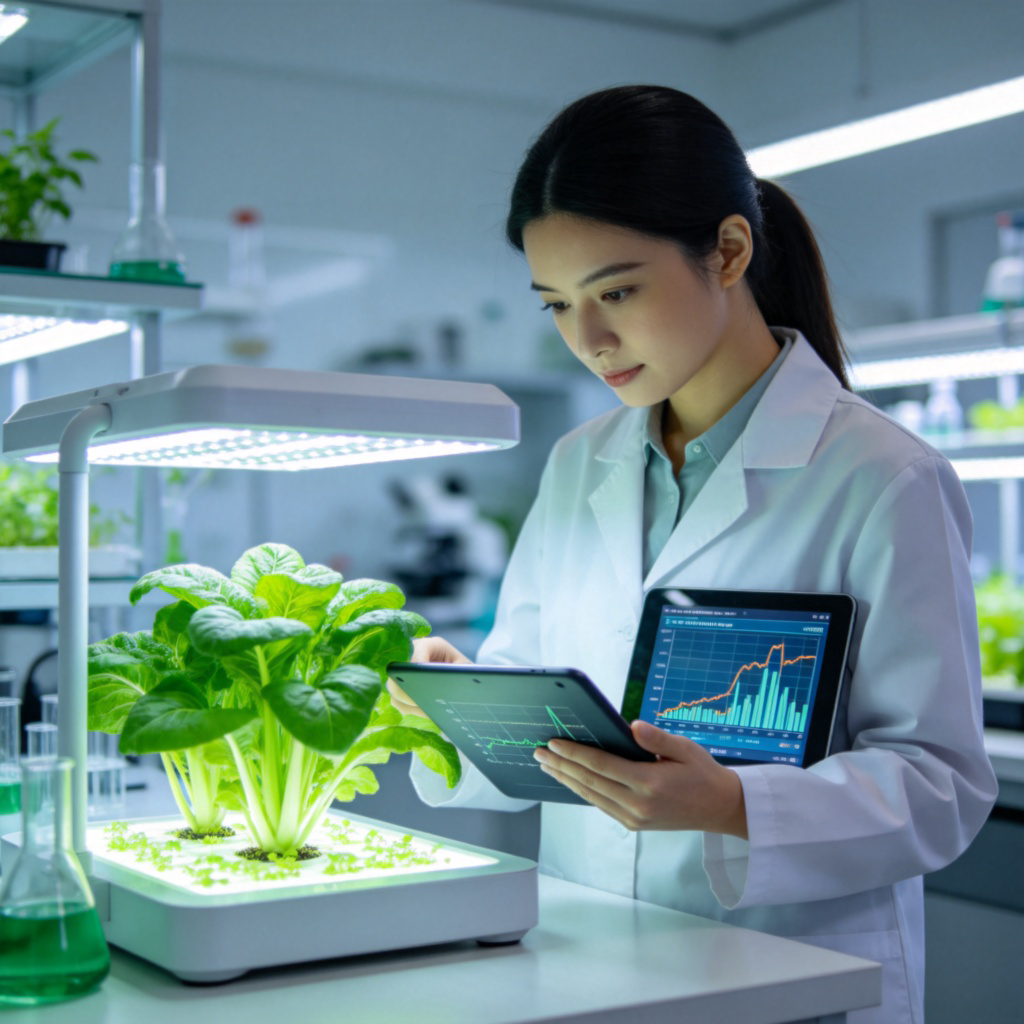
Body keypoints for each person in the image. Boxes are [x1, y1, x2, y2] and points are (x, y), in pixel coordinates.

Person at [390, 85, 997, 1024]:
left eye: (618, 292)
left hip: (794, 976)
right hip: (590, 964)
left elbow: (941, 786)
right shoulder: (577, 466)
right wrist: (457, 700)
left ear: (728, 251)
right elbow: (537, 697)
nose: (588, 341)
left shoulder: (883, 475)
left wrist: (731, 806)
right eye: (557, 304)